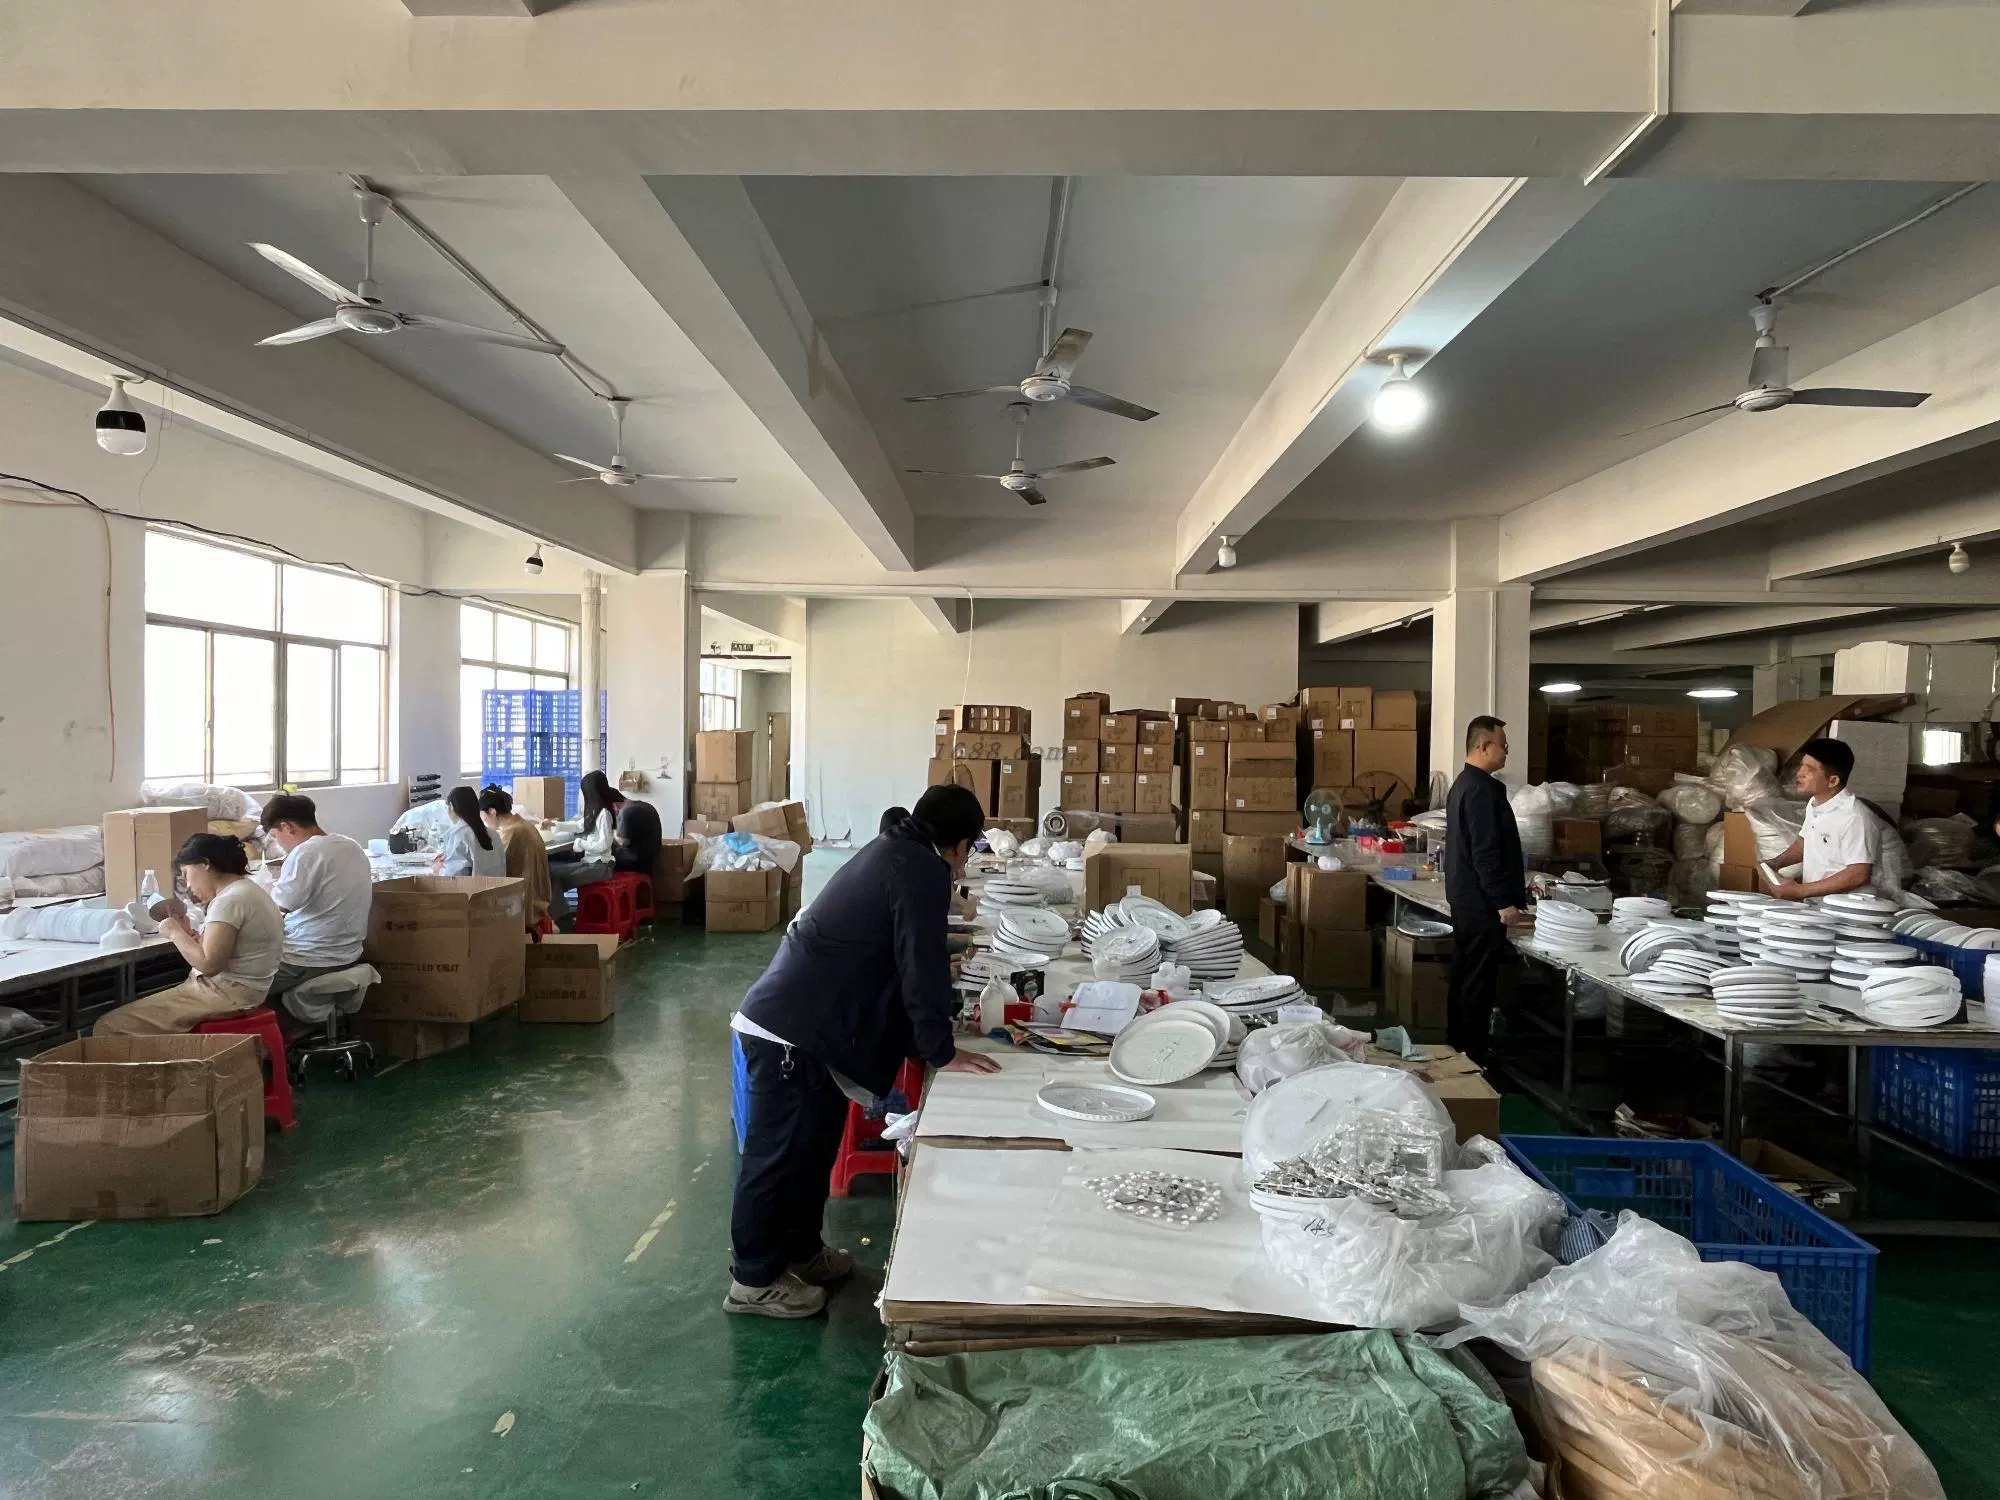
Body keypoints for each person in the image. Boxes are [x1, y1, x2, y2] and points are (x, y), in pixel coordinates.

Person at [724, 783, 1000, 1320]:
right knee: (777, 1159)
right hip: (790, 1031)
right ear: (961, 844)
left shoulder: (897, 849)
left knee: (813, 1150)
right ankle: (753, 1280)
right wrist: (942, 1052)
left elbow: (900, 952)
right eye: (970, 849)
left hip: (813, 1027)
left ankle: (801, 1252)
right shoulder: (919, 867)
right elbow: (919, 965)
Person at [97, 833, 285, 1034]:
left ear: (205, 864)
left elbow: (209, 964)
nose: (187, 884)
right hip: (243, 991)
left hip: (225, 994)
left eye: (186, 873)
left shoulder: (230, 900)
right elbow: (229, 949)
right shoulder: (249, 890)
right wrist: (190, 936)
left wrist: (175, 933)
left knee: (109, 1026)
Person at [1444, 716, 1531, 1061]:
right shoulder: (1479, 790)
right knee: (1477, 983)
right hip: (1480, 904)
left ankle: (1458, 1046)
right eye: (1503, 746)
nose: (1507, 752)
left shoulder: (1465, 784)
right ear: (1484, 746)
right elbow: (1485, 852)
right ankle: (1471, 1055)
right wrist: (1503, 903)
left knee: (1466, 975)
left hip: (1467, 898)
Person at [258, 793, 374, 1028]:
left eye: (276, 836)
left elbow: (280, 905)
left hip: (309, 958)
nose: (279, 844)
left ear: (287, 827)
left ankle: (276, 1038)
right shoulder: (350, 845)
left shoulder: (306, 852)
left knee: (237, 983)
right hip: (348, 952)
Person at [1761, 737, 1882, 900]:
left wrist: (1801, 890)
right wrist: (1776, 863)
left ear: (1833, 781)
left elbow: (1858, 873)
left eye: (1809, 770)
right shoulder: (1814, 803)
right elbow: (1805, 841)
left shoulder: (1854, 817)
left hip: (1845, 908)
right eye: (1801, 766)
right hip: (1816, 903)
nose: (1799, 774)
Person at [479, 784, 553, 931]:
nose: (483, 820)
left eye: (483, 815)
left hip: (526, 906)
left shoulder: (512, 832)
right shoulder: (524, 825)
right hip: (538, 900)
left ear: (492, 812)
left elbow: (495, 869)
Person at [578, 770, 663, 876]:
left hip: (635, 862)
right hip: (650, 861)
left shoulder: (626, 812)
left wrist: (609, 832)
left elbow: (623, 842)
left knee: (588, 853)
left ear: (613, 805)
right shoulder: (643, 805)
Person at [435, 786, 507, 878]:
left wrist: (438, 870)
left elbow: (454, 877)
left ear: (452, 807)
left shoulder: (458, 835)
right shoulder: (494, 834)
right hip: (498, 886)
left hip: (472, 887)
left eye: (447, 807)